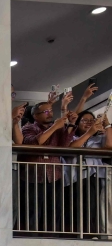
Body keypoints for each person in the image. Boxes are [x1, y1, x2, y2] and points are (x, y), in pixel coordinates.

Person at [19, 98, 76, 232]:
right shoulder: (28, 128)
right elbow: (34, 143)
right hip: (33, 176)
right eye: (45, 111)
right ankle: (31, 238)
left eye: (51, 111)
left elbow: (64, 144)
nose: (50, 113)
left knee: (54, 209)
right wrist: (54, 127)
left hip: (54, 174)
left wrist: (72, 124)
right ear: (35, 116)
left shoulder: (56, 128)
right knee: (33, 210)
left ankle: (53, 238)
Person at [66, 111, 112, 235]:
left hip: (94, 176)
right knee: (76, 208)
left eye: (91, 120)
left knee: (93, 208)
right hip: (74, 178)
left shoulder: (98, 138)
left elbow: (109, 145)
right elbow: (70, 149)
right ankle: (78, 234)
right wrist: (89, 132)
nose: (89, 122)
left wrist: (107, 124)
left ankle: (91, 234)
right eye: (84, 120)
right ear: (77, 122)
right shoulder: (72, 136)